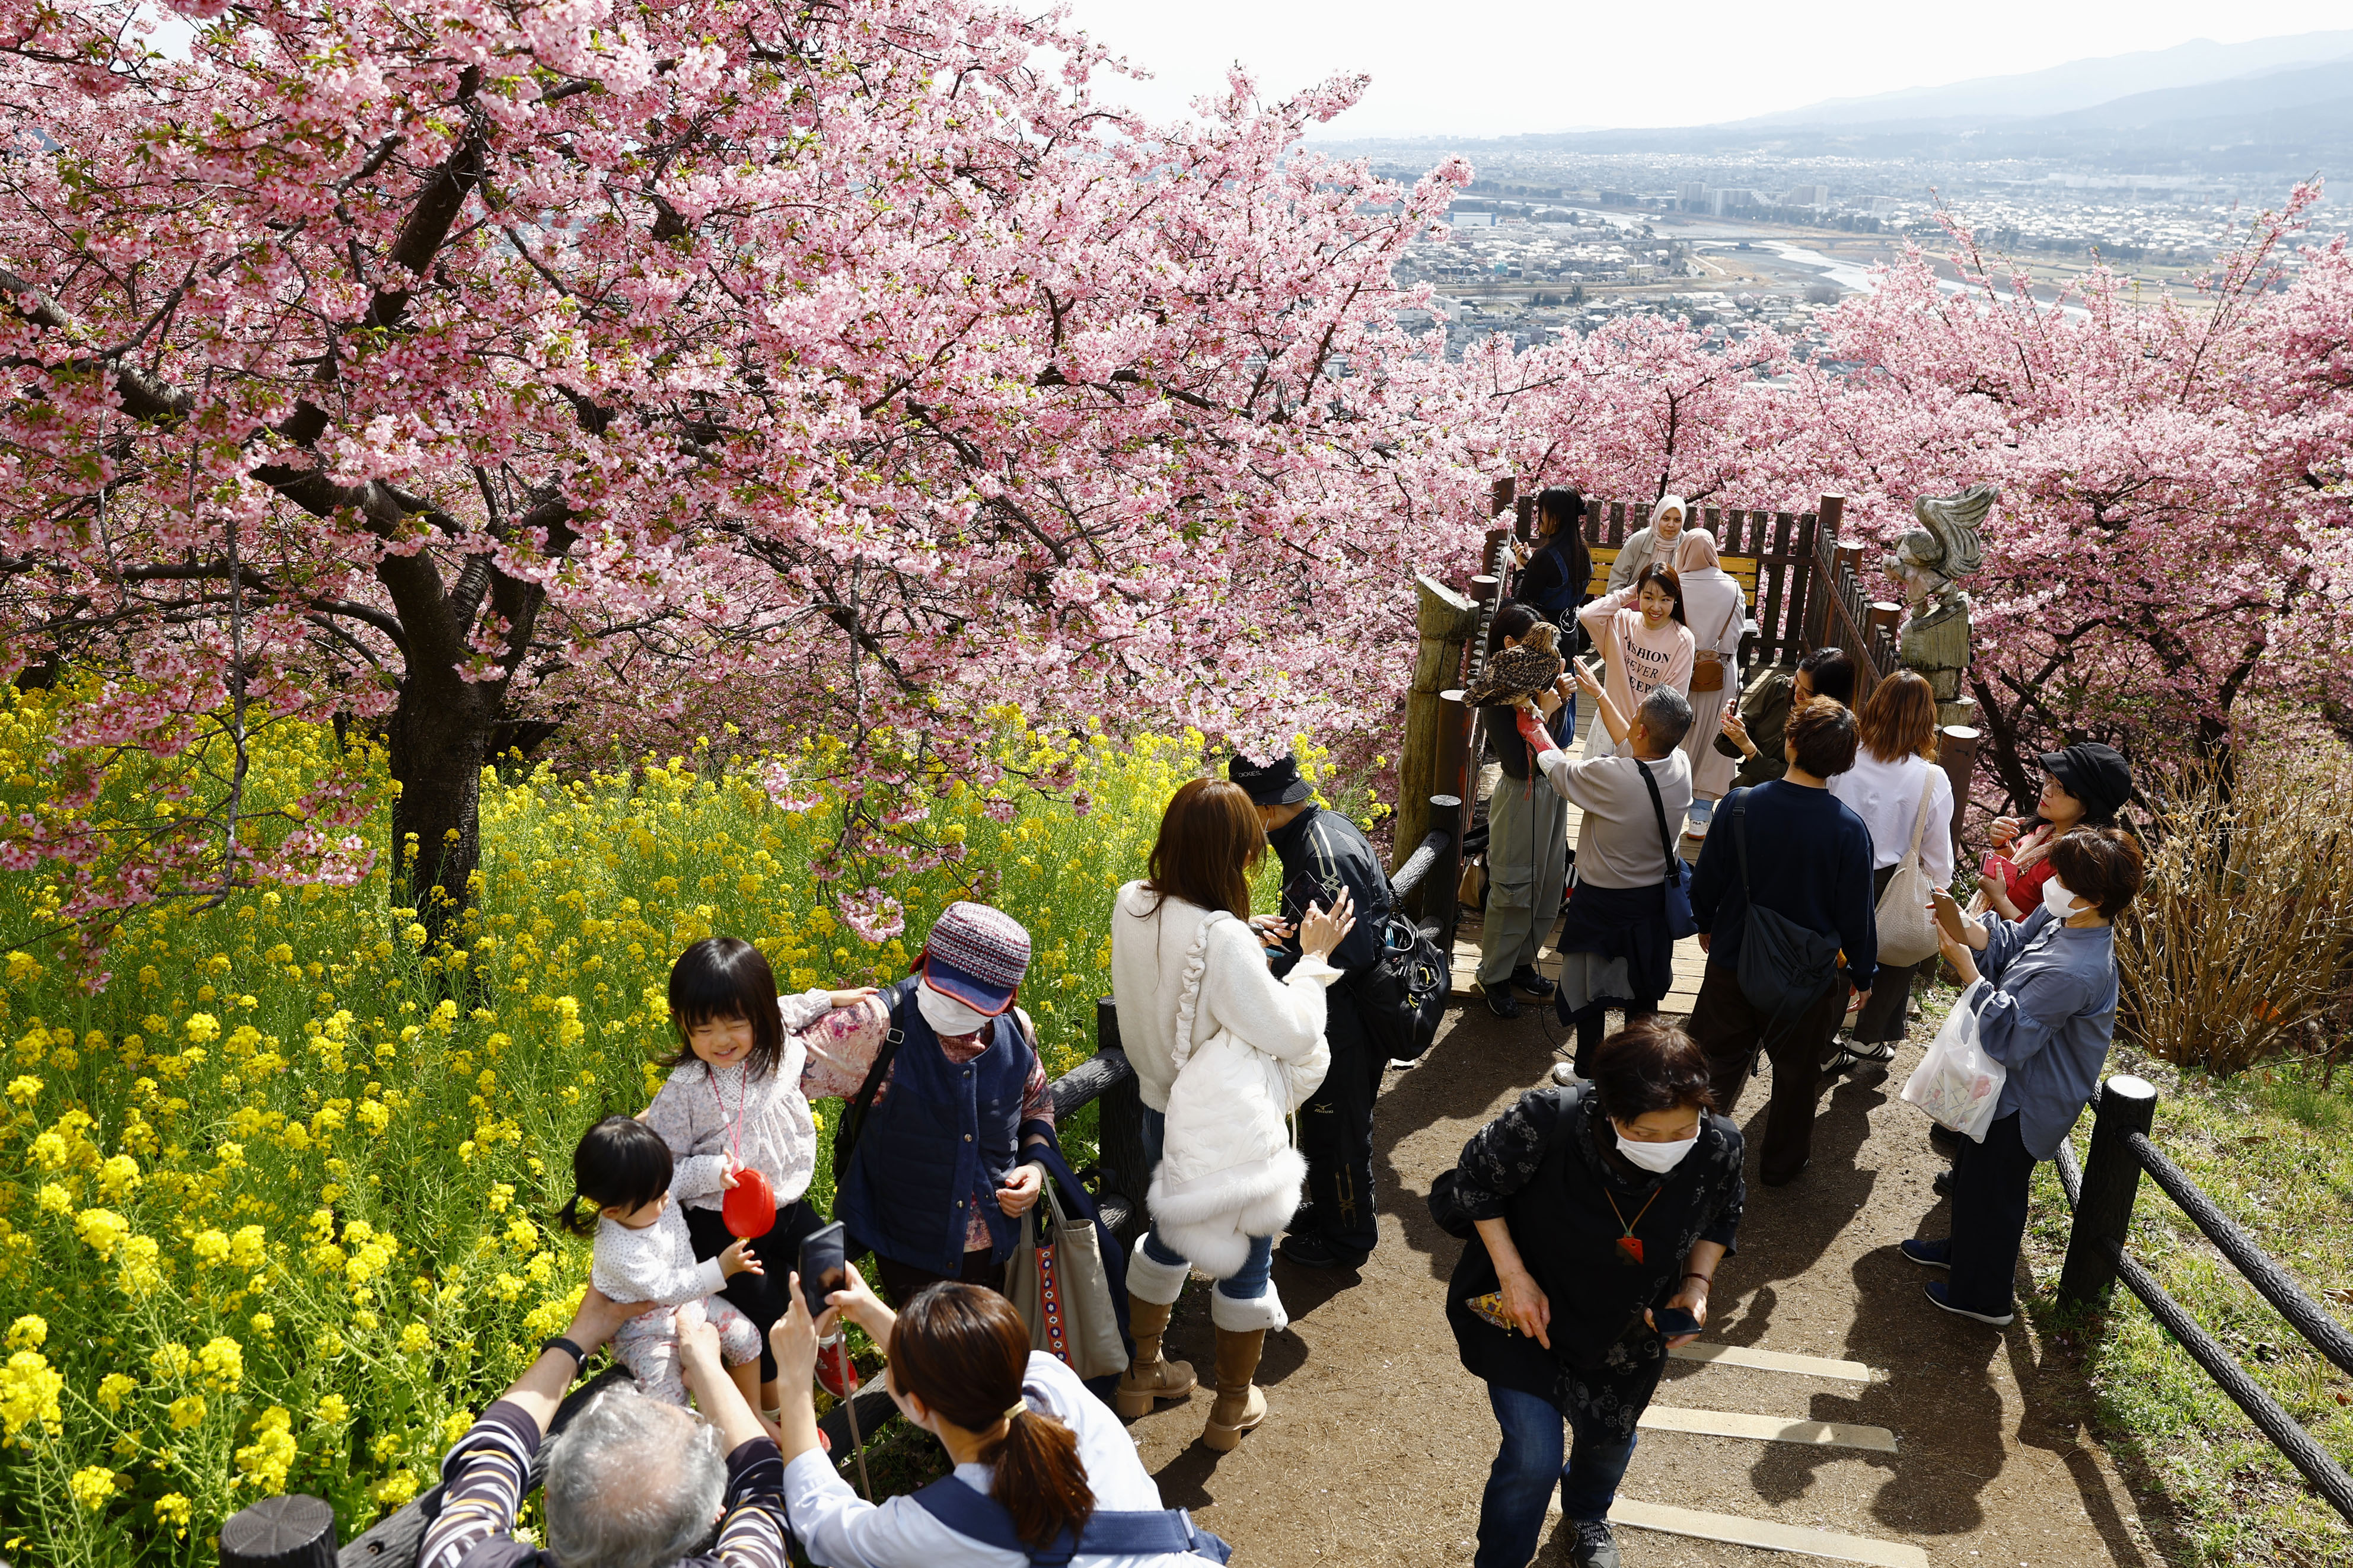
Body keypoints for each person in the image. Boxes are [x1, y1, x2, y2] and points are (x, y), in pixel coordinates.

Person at [1445, 1019, 1744, 1568]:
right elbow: (1474, 1181)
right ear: (1609, 1110)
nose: (1666, 1147)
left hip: (1628, 1326)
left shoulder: (1719, 1145)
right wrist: (1512, 1275)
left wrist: (1696, 1284)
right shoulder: (1547, 1119)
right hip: (1527, 1313)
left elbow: (1724, 1212)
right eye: (1645, 1132)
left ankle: (1586, 1513)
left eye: (1681, 1130)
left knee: (1609, 1441)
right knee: (1533, 1456)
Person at [1108, 777, 1351, 1446]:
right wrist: (1313, 958)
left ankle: (1142, 1374)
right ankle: (1230, 1409)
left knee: (1167, 1233)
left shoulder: (1131, 902)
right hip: (1222, 1125)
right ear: (1234, 854)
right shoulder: (1223, 942)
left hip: (1157, 1111)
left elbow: (1179, 957)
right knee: (1247, 1257)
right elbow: (1293, 1033)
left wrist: (1238, 931)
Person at [774, 1272, 1224, 1565]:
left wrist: (794, 1383)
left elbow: (822, 1522)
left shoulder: (943, 1525)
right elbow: (964, 1374)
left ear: (918, 1409)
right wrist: (869, 1308)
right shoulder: (1050, 1380)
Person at [1905, 827, 2145, 1325]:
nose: (2052, 883)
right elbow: (2014, 940)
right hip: (2007, 1085)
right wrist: (1967, 927)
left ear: (2097, 898)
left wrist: (1969, 973)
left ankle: (1984, 1299)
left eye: (2064, 878)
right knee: (1974, 1176)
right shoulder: (2067, 918)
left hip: (2028, 1099)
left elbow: (2014, 1037)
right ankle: (1960, 1254)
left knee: (1997, 1191)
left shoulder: (2078, 969)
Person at [642, 937, 878, 1411]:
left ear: (758, 1017)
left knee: (830, 1268)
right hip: (723, 1223)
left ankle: (825, 1344)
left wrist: (830, 998)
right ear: (682, 1022)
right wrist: (712, 1172)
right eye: (703, 1028)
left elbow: (787, 1008)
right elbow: (663, 1175)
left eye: (736, 1023)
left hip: (785, 1202)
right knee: (768, 1312)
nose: (722, 1040)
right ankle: (777, 1412)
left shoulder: (775, 1047)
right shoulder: (683, 1091)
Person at [420, 1289, 792, 1568]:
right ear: (707, 1523)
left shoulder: (461, 1557)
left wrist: (580, 1336)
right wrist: (705, 1365)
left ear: (548, 1493)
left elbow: (494, 1446)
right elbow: (763, 1485)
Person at [821, 902, 1057, 1305]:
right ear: (925, 960)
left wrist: (1035, 1169)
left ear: (1007, 998)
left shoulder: (1017, 1029)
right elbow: (764, 1051)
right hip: (907, 1251)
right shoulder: (876, 1025)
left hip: (999, 1248)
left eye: (974, 1002)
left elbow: (1037, 1106)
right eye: (945, 989)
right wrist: (822, 1001)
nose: (954, 1008)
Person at [1685, 699, 1879, 1187]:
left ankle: (1692, 1152)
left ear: (1790, 742)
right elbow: (1856, 916)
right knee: (1796, 1075)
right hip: (1806, 975)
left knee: (1713, 1063)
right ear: (1844, 762)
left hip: (1734, 956)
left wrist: (1707, 923)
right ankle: (1782, 1164)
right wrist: (1863, 973)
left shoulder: (1740, 805)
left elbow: (1706, 882)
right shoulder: (1849, 830)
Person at [1228, 752, 1393, 1273]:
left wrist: (1273, 962)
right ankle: (1328, 1210)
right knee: (1330, 1126)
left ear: (1266, 810)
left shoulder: (1321, 859)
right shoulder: (1321, 830)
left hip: (1344, 1017)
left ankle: (1347, 1238)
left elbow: (1348, 953)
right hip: (1344, 1010)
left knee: (1336, 1129)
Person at [1519, 669, 1694, 1074]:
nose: (1631, 719)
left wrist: (1535, 728)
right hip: (1652, 902)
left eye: (1637, 715)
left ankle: (1587, 1068)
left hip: (1601, 901)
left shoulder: (1611, 776)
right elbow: (1632, 743)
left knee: (1588, 991)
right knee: (1643, 992)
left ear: (1643, 731)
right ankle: (1639, 1072)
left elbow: (1559, 770)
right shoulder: (1680, 765)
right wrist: (1600, 694)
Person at [559, 1114, 769, 1414]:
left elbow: (683, 1176)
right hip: (646, 1333)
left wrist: (718, 1171)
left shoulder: (652, 1191)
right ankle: (695, 1430)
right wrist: (722, 1268)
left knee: (748, 1339)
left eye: (665, 1186)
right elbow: (666, 1287)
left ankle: (753, 1411)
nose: (668, 1197)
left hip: (695, 1302)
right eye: (658, 1198)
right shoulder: (618, 1250)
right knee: (669, 1398)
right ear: (613, 1212)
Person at [1826, 671, 1955, 1075]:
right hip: (1891, 880)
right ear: (1926, 720)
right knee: (1900, 951)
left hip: (1834, 870)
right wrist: (1940, 888)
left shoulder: (1843, 754)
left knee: (1833, 958)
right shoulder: (1931, 778)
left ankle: (1823, 1044)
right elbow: (1937, 853)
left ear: (1875, 705)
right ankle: (1870, 1035)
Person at [1477, 605, 1572, 1020]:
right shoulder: (1494, 693)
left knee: (1548, 884)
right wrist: (1544, 710)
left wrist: (1560, 701)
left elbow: (1560, 741)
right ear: (1511, 645)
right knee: (1515, 885)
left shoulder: (1540, 678)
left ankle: (1521, 963)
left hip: (1553, 786)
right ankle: (1494, 975)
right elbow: (1518, 764)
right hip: (1521, 795)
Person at [1975, 743, 2134, 921]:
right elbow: (2023, 875)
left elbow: (2046, 933)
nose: (2047, 791)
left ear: (2089, 806)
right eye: (2049, 779)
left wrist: (1999, 899)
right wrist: (2002, 845)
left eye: (2059, 788)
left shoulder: (2078, 864)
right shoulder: (2045, 831)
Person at [1669, 530, 1748, 835]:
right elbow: (1736, 635)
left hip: (1681, 671)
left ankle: (1668, 802)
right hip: (1720, 672)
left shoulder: (1676, 584)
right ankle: (1700, 817)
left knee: (1677, 734)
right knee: (1715, 738)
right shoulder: (1733, 587)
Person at [1575, 564, 1693, 759]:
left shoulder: (1682, 640)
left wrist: (1642, 739)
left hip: (1645, 740)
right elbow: (1588, 615)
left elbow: (1674, 702)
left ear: (1675, 600)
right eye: (1649, 597)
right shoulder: (1622, 621)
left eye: (1665, 599)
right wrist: (1630, 592)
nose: (1656, 607)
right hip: (1607, 724)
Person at [1716, 646, 1855, 791]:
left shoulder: (1833, 728)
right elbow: (1730, 749)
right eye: (1796, 680)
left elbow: (1793, 778)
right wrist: (1733, 728)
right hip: (1745, 791)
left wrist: (1746, 745)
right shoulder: (1780, 688)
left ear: (1828, 698)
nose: (1796, 692)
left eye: (1807, 691)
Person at [1510, 486, 1596, 637]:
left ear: (1555, 518)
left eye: (1541, 512)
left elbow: (1522, 604)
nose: (1538, 517)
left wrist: (1521, 570)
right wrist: (1531, 563)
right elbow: (1554, 578)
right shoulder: (1583, 550)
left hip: (1544, 641)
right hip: (1570, 635)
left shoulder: (1546, 556)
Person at [1603, 494, 1689, 595]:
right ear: (1658, 518)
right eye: (1666, 519)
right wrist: (1614, 602)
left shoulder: (1687, 544)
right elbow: (1619, 576)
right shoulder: (1639, 540)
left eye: (1677, 520)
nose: (1671, 525)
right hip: (1634, 599)